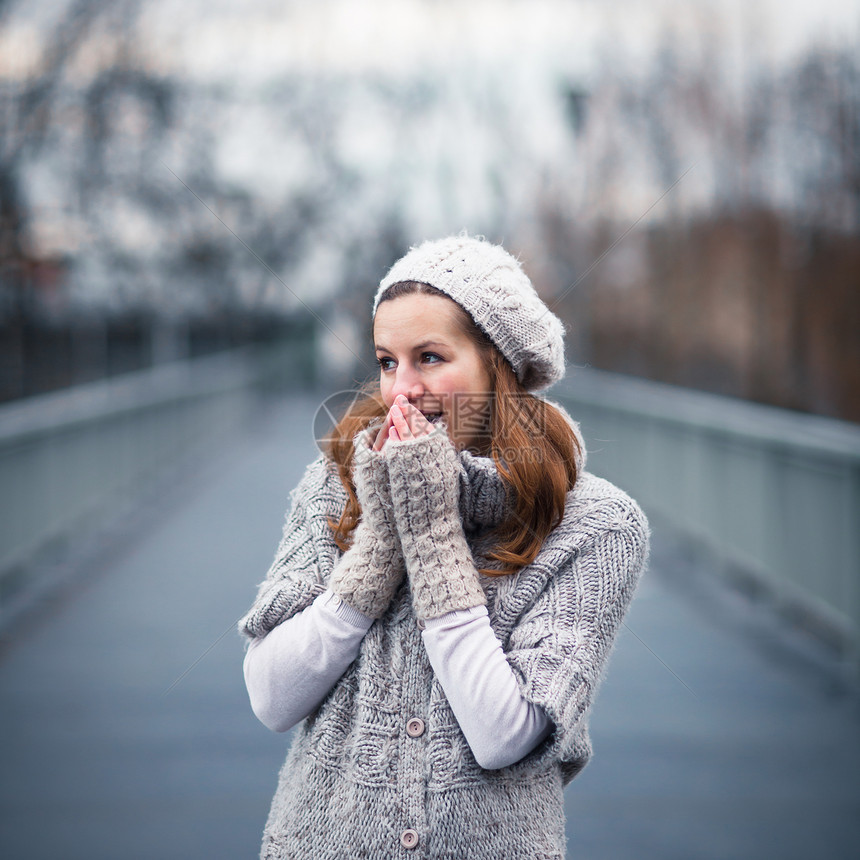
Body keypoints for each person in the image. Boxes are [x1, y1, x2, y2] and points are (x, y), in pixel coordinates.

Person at [238, 234, 649, 859]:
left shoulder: (598, 525)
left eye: (430, 357)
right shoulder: (336, 488)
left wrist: (429, 533)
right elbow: (272, 698)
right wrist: (377, 544)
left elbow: (503, 736)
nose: (400, 389)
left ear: (498, 365)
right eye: (385, 361)